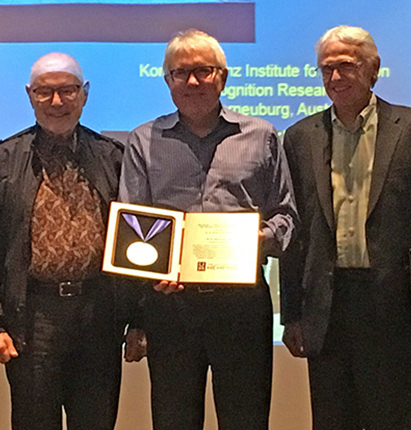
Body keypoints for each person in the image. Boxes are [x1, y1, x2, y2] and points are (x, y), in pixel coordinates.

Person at [280, 25, 411, 430]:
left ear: (373, 70)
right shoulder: (298, 137)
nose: (335, 78)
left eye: (346, 66)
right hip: (326, 309)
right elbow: (296, 233)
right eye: (326, 69)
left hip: (392, 307)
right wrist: (291, 314)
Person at [118, 29, 297, 429]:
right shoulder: (144, 140)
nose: (193, 82)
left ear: (223, 77)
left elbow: (287, 217)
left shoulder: (262, 135)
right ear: (167, 82)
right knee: (173, 420)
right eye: (181, 73)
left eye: (203, 71)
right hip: (170, 306)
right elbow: (133, 224)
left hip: (242, 304)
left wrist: (260, 239)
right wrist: (150, 275)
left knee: (246, 419)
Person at [0, 52, 137, 430]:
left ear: (84, 94)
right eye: (45, 93)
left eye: (67, 91)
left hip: (99, 313)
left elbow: (136, 239)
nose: (57, 102)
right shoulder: (1, 161)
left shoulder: (113, 157)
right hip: (32, 316)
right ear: (30, 95)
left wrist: (138, 319)